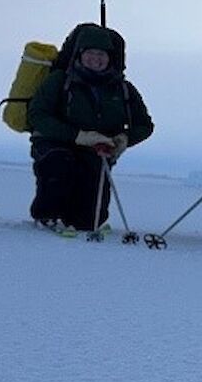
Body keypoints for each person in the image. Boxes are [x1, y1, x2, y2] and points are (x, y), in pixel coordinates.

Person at [27, 24, 153, 234]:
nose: (96, 58)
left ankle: (82, 222)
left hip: (97, 150)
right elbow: (37, 115)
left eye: (101, 53)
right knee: (60, 164)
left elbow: (145, 125)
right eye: (90, 53)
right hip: (55, 144)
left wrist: (124, 138)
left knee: (89, 219)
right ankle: (47, 216)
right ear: (79, 54)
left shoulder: (123, 89)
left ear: (110, 57)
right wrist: (77, 136)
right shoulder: (59, 81)